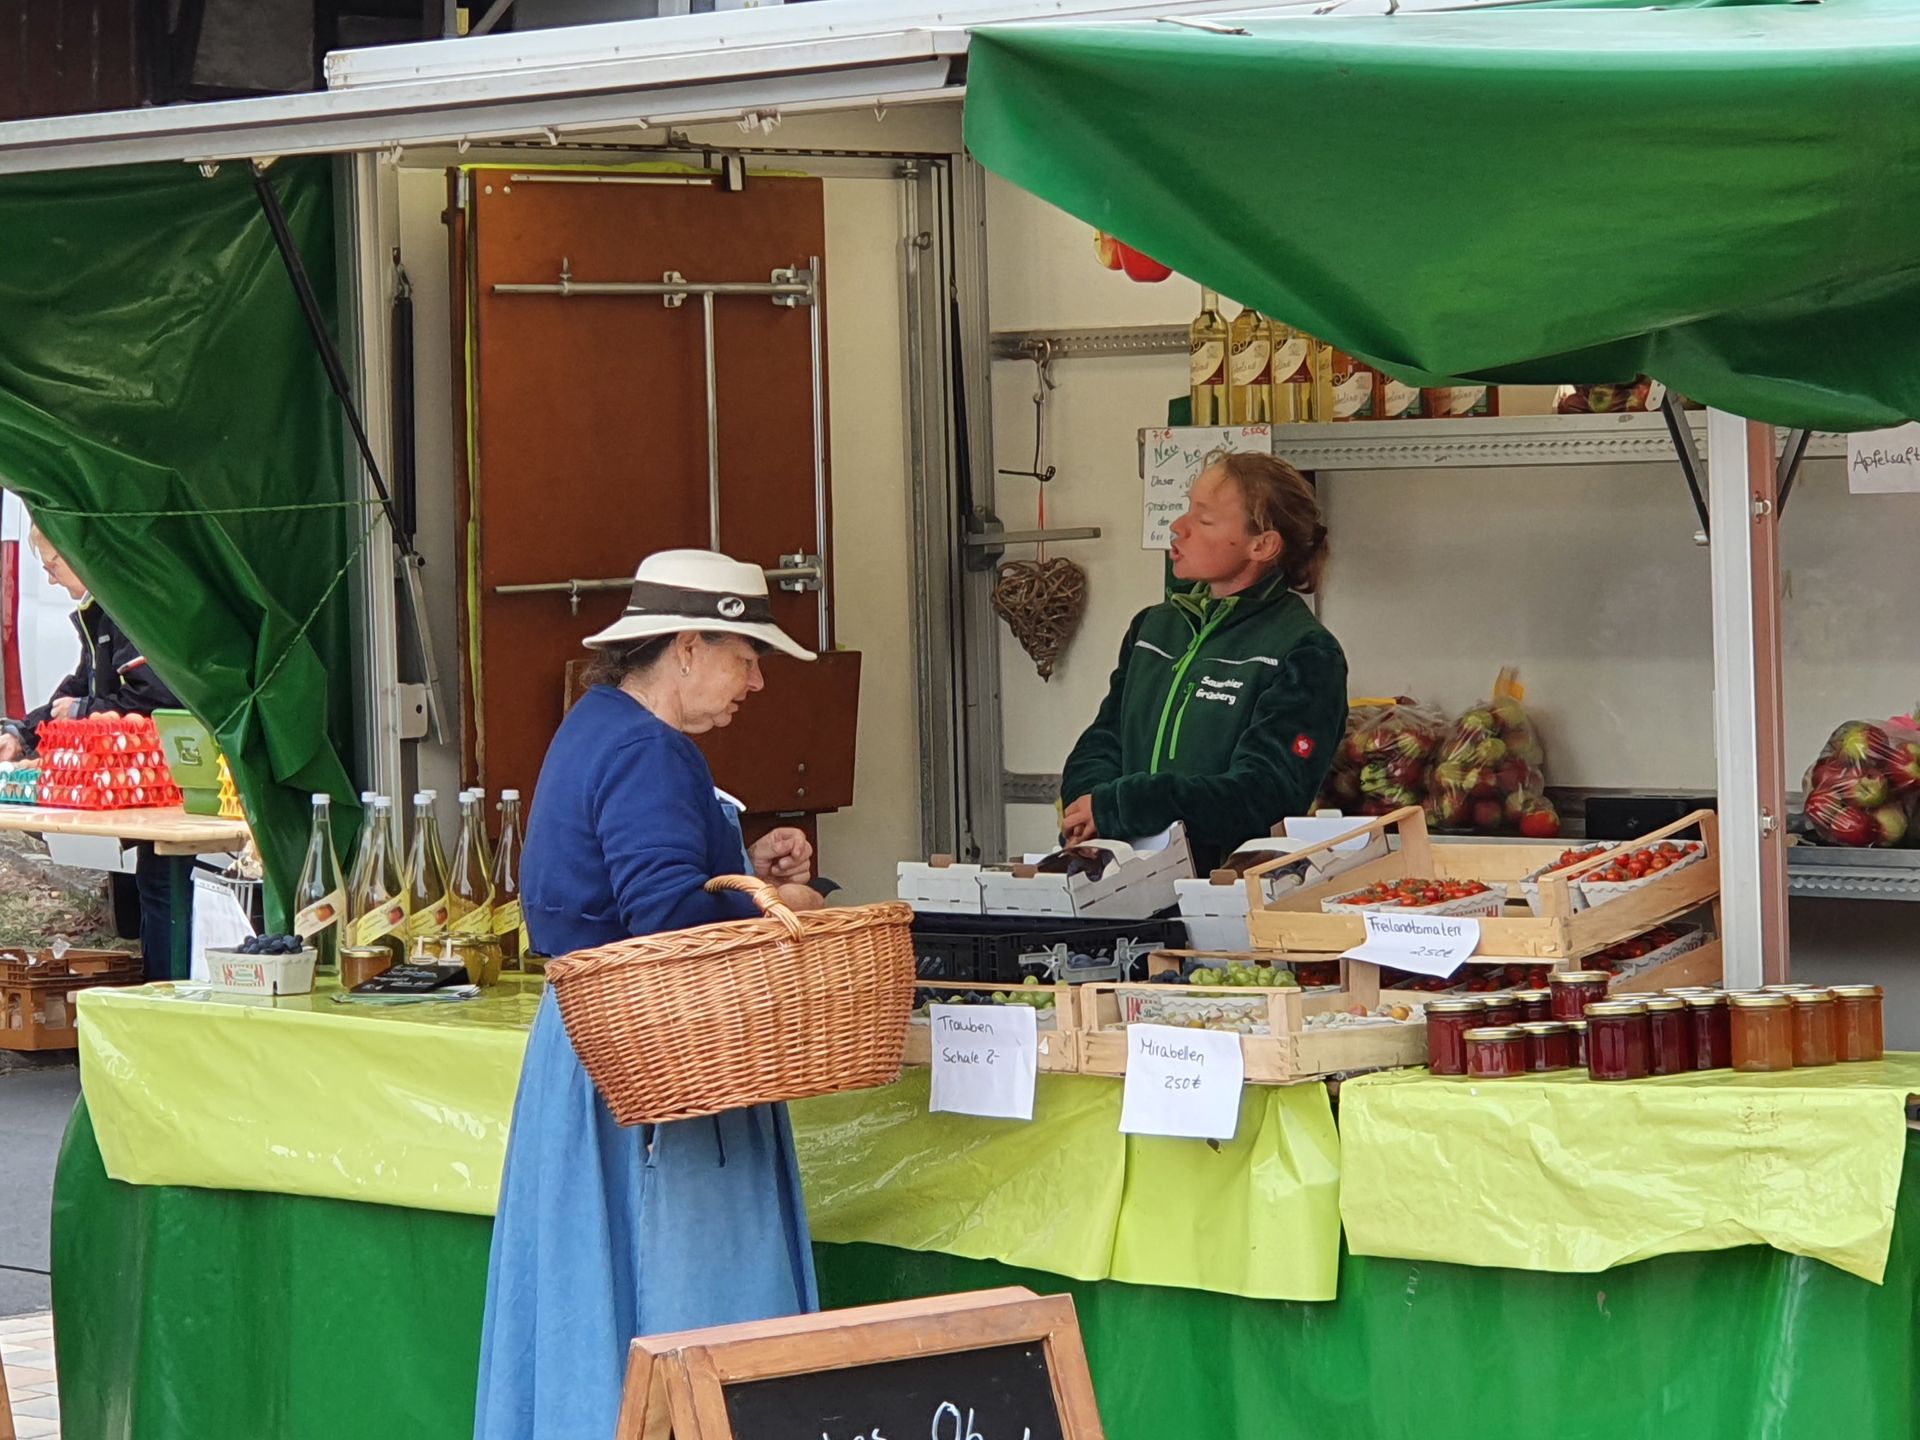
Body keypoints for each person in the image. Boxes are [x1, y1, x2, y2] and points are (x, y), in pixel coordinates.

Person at [473, 548, 823, 1440]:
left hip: (590, 1049)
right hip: (655, 1064)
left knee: (592, 1304)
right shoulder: (649, 750)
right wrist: (784, 907)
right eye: (747, 657)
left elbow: (636, 881)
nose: (757, 682)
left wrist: (744, 864)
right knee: (687, 1310)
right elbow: (665, 920)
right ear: (688, 647)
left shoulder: (597, 724)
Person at [1060, 452, 1348, 872]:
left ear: (1262, 545)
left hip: (1225, 889)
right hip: (1122, 879)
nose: (1179, 527)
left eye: (1205, 519)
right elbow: (1105, 738)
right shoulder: (1153, 628)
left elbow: (1264, 794)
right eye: (1186, 509)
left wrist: (1127, 805)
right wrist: (1088, 806)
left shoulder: (1305, 651)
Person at [0, 527, 187, 979]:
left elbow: (156, 696)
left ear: (79, 556)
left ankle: (165, 992)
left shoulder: (129, 612)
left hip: (172, 773)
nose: (49, 579)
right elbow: (79, 685)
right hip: (149, 781)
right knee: (154, 883)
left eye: (53, 566)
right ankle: (155, 989)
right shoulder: (100, 613)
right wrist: (23, 735)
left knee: (164, 885)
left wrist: (85, 710)